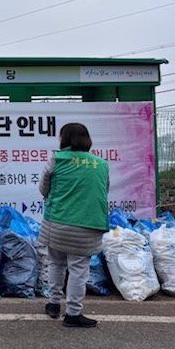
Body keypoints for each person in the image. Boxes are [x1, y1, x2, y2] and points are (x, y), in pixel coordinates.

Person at [38, 122, 109, 328]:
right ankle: (73, 313)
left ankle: (53, 304)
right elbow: (104, 191)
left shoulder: (57, 160)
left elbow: (44, 188)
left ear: (64, 139)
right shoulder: (101, 164)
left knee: (56, 263)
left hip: (57, 223)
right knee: (78, 270)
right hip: (87, 224)